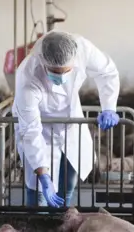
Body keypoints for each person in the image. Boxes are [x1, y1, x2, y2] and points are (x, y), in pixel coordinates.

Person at [12, 30, 120, 208]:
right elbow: (31, 132)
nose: (61, 77)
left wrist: (109, 107)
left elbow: (107, 72)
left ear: (75, 60)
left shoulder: (82, 48)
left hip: (71, 123)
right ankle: (37, 223)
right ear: (43, 62)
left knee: (69, 182)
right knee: (38, 189)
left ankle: (62, 222)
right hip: (39, 125)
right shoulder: (27, 76)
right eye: (55, 72)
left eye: (66, 71)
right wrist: (43, 174)